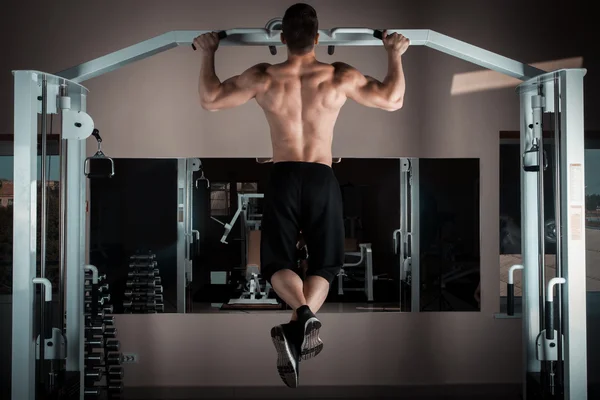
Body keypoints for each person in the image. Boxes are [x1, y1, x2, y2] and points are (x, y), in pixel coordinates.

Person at [194, 3, 409, 388]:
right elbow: (393, 99)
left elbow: (210, 99)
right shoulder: (339, 75)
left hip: (283, 173)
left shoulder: (263, 75)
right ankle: (302, 320)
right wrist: (393, 53)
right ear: (317, 37)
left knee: (276, 261)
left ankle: (302, 320)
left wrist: (209, 52)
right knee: (326, 265)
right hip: (322, 175)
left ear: (281, 36)